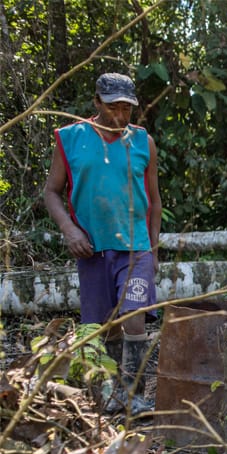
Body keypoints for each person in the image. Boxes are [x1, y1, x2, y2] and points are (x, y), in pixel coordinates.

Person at [43, 72, 162, 414]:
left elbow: (154, 200)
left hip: (135, 246)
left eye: (127, 109)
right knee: (103, 325)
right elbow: (51, 192)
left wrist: (153, 250)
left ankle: (134, 394)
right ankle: (111, 394)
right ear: (96, 103)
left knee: (134, 316)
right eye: (113, 108)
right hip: (92, 249)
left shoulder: (142, 142)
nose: (120, 116)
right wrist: (69, 229)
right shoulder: (70, 138)